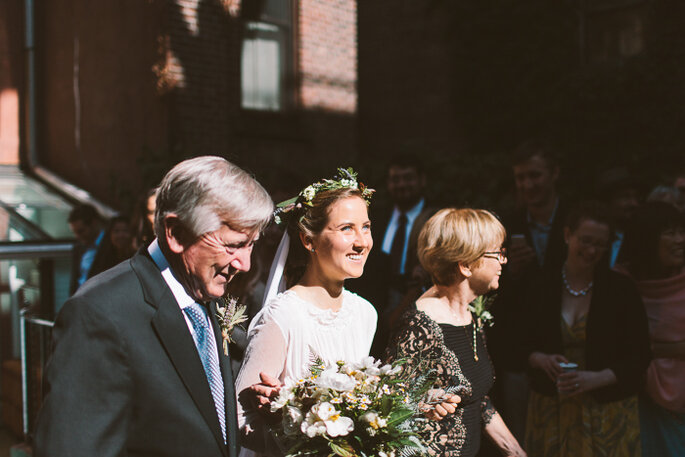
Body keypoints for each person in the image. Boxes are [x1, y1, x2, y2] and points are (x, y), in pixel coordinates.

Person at [34, 156, 273, 457]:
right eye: (234, 245)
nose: (245, 264)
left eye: (251, 244)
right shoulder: (100, 314)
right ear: (175, 233)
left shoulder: (205, 293)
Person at [235, 169, 379, 455]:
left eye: (366, 226)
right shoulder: (282, 317)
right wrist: (300, 437)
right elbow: (240, 419)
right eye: (346, 228)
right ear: (308, 240)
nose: (362, 242)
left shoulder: (365, 313)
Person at [385, 208, 526, 457]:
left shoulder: (469, 314)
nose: (504, 261)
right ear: (466, 265)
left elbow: (477, 398)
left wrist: (515, 451)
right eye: (497, 254)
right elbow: (388, 407)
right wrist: (419, 403)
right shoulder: (420, 325)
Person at [521, 202, 650, 457]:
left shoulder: (621, 290)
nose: (592, 250)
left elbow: (641, 355)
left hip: (609, 411)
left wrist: (598, 378)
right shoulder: (539, 285)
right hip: (551, 409)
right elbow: (513, 341)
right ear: (568, 235)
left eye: (600, 244)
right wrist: (539, 359)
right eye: (586, 240)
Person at [621, 202, 685, 456]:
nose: (680, 240)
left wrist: (648, 349)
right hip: (640, 405)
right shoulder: (622, 284)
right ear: (647, 237)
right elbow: (618, 346)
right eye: (670, 233)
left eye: (682, 231)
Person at [68, 203, 105, 294]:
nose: (78, 236)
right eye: (75, 232)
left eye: (81, 231)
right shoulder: (79, 248)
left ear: (94, 223)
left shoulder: (110, 245)